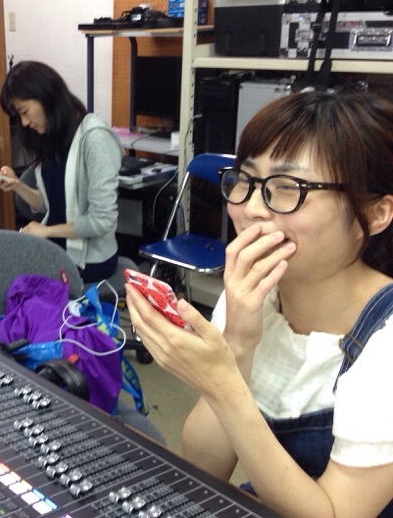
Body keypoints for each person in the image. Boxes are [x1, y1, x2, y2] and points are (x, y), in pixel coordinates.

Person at [126, 89, 393, 518]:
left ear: (375, 214)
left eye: (288, 188)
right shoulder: (254, 296)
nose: (250, 209)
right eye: (245, 180)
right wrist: (237, 343)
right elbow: (203, 470)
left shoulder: (384, 346)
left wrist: (223, 383)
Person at [0, 61, 123, 282]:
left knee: (9, 280)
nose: (24, 122)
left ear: (45, 96)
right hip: (55, 248)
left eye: (25, 112)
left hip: (88, 259)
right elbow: (50, 206)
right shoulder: (53, 137)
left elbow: (101, 221)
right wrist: (18, 186)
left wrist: (47, 231)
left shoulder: (95, 138)